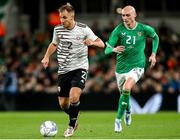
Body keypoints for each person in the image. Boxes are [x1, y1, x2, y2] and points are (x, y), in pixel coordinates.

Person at [41, 3, 104, 137]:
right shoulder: (57, 29)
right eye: (60, 18)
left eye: (64, 17)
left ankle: (71, 126)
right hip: (63, 70)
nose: (61, 20)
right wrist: (46, 57)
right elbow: (54, 44)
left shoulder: (83, 29)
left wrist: (92, 43)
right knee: (63, 104)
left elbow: (101, 43)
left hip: (79, 67)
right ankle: (75, 115)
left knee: (74, 96)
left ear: (72, 16)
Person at [105, 5, 159, 133]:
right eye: (123, 15)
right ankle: (128, 110)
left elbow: (155, 37)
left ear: (134, 15)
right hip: (121, 68)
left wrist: (153, 54)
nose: (125, 18)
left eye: (127, 15)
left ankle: (118, 120)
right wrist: (113, 49)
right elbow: (107, 49)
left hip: (138, 65)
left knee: (127, 88)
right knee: (124, 95)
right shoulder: (118, 30)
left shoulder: (143, 28)